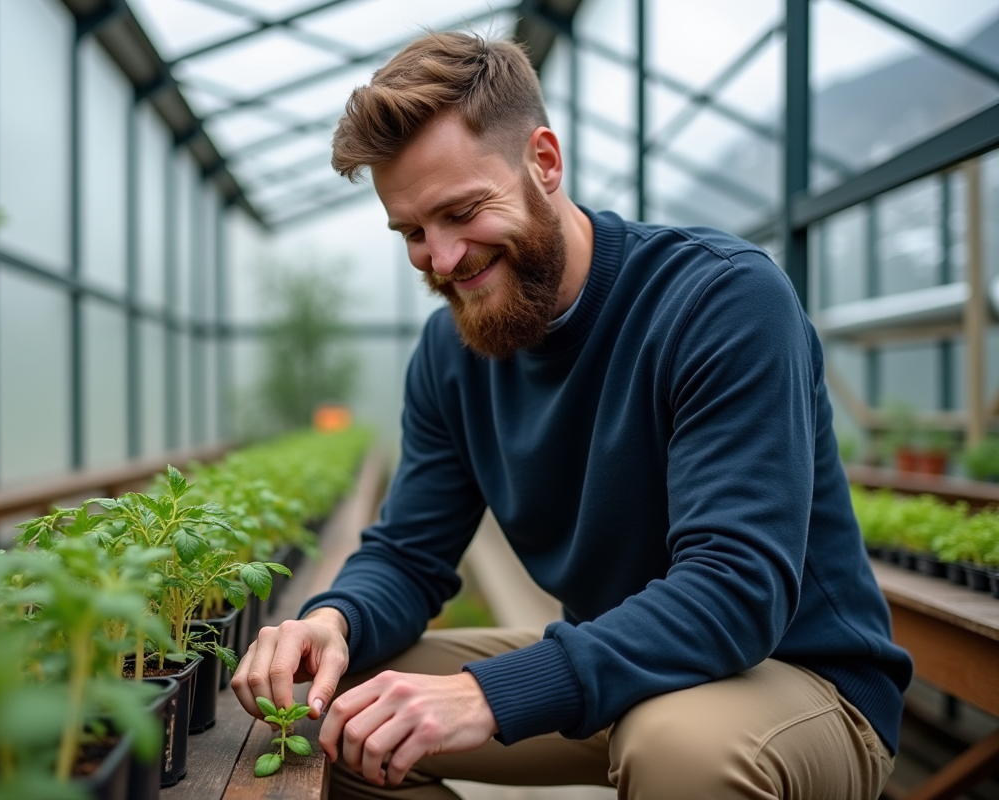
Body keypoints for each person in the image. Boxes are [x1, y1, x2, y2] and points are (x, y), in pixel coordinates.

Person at [231, 30, 912, 800]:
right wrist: (335, 621)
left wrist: (489, 695)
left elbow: (735, 589)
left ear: (545, 163)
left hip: (793, 677)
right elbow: (410, 553)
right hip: (625, 669)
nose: (443, 259)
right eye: (413, 233)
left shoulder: (719, 300)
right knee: (323, 703)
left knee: (680, 751)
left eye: (461, 211)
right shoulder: (451, 353)